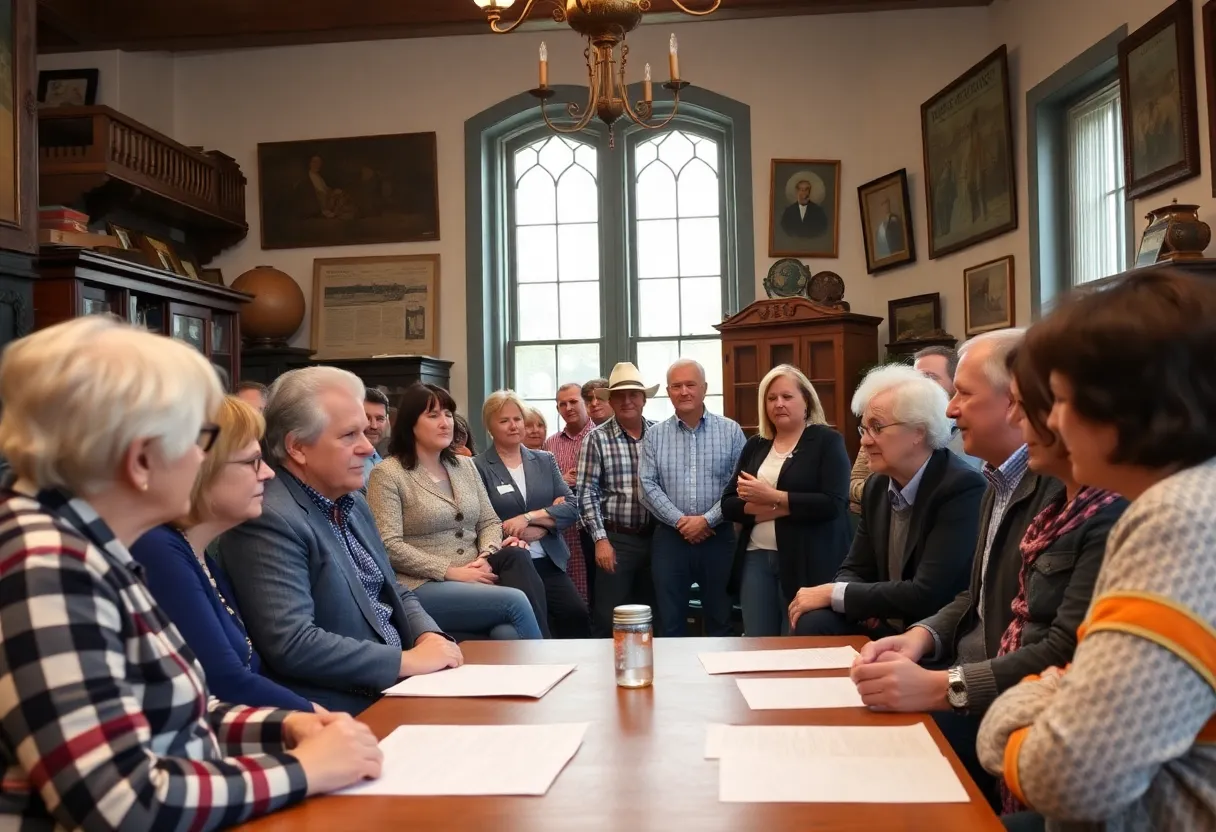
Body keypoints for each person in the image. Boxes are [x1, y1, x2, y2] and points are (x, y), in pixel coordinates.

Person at [0, 318, 382, 830]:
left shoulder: (91, 544)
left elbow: (168, 717)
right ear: (140, 460)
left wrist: (286, 727)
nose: (205, 458)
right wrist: (301, 769)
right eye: (200, 438)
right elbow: (120, 804)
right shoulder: (47, 563)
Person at [977, 269, 1215, 830]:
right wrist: (1062, 690)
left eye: (1059, 399)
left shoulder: (1178, 518)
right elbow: (1081, 679)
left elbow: (1072, 775)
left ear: (1124, 406)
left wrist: (1013, 715)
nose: (1051, 420)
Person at [848, 328, 1115, 809]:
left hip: (1008, 703)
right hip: (981, 683)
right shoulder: (997, 481)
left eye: (963, 394)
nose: (949, 410)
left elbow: (1065, 649)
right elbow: (976, 594)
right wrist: (923, 636)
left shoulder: (1078, 498)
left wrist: (944, 686)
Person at [217, 367, 464, 715]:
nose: (367, 447)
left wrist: (429, 636)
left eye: (365, 431)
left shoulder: (352, 501)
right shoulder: (268, 517)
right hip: (342, 708)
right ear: (298, 447)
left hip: (402, 686)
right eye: (350, 435)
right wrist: (404, 661)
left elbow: (391, 587)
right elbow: (294, 644)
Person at [131, 396, 314, 711]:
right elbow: (224, 682)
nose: (268, 473)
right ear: (202, 468)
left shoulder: (195, 550)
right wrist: (315, 717)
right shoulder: (157, 548)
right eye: (252, 461)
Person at [789, 365, 985, 637]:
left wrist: (838, 594)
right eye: (864, 428)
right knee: (813, 619)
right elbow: (854, 568)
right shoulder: (877, 486)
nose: (864, 442)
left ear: (918, 431)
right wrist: (855, 603)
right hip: (883, 624)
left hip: (931, 634)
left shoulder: (961, 488)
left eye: (876, 428)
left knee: (824, 603)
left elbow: (926, 592)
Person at [367, 383, 544, 640]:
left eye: (448, 414)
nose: (445, 422)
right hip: (421, 585)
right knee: (515, 601)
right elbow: (388, 545)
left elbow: (489, 521)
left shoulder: (464, 466)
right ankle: (548, 668)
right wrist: (450, 571)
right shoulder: (387, 474)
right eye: (433, 415)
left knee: (506, 632)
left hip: (476, 573)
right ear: (410, 424)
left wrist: (487, 554)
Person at [722, 364, 851, 637]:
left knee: (793, 644)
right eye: (771, 398)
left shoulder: (827, 441)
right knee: (757, 643)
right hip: (755, 559)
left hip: (807, 562)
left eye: (787, 396)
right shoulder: (756, 445)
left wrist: (773, 497)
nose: (778, 404)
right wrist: (780, 507)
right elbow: (729, 504)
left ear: (806, 401)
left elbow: (833, 504)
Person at [640, 359, 746, 637]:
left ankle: (719, 680)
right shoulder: (654, 435)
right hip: (670, 540)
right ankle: (673, 680)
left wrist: (707, 520)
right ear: (668, 391)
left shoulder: (731, 431)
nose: (684, 391)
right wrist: (681, 522)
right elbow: (647, 486)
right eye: (676, 386)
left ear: (705, 389)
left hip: (718, 538)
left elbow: (738, 485)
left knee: (720, 621)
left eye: (690, 384)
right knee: (669, 623)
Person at [474, 390, 590, 638]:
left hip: (549, 558)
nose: (513, 425)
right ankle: (544, 666)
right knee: (537, 620)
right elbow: (483, 518)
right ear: (490, 427)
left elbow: (571, 507)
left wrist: (532, 519)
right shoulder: (477, 466)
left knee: (576, 612)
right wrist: (544, 517)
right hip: (509, 563)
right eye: (504, 421)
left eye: (517, 419)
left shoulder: (545, 460)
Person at [576, 363, 657, 637]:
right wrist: (600, 540)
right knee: (609, 617)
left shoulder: (659, 434)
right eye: (619, 395)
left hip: (658, 538)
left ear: (644, 398)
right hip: (616, 540)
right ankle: (604, 677)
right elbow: (586, 492)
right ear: (610, 400)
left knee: (653, 614)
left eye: (633, 394)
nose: (627, 401)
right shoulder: (596, 439)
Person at [544, 382, 595, 604]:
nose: (568, 408)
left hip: (595, 529)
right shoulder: (551, 444)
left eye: (573, 401)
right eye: (562, 404)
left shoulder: (600, 436)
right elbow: (542, 485)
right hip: (563, 532)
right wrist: (561, 481)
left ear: (585, 403)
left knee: (598, 594)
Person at [362, 386, 390, 487]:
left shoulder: (382, 460)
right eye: (366, 417)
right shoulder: (346, 466)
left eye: (379, 419)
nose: (374, 426)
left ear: (387, 421)